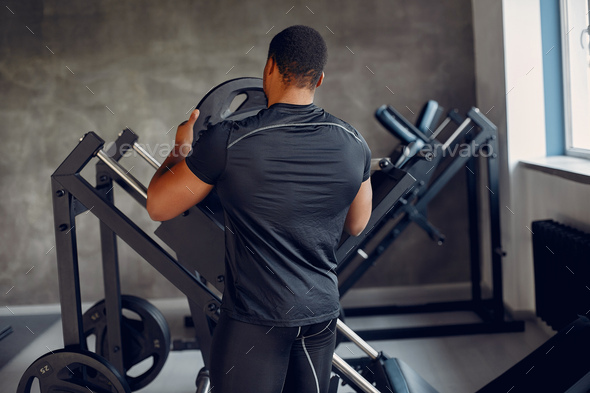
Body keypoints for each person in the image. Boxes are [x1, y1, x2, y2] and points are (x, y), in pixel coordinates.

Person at [147, 25, 372, 393]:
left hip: (255, 322)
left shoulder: (229, 140)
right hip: (319, 317)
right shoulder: (353, 141)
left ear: (269, 67)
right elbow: (357, 223)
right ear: (320, 78)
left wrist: (181, 148)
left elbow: (158, 206)